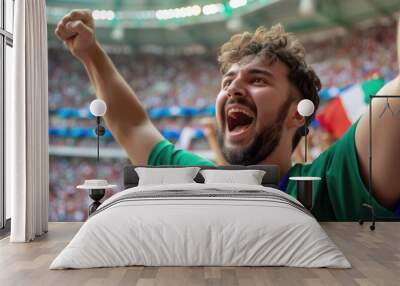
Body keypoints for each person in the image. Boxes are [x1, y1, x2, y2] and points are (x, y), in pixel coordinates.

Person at [55, 10, 400, 221]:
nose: (234, 89)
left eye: (258, 80)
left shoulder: (332, 184)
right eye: (228, 80)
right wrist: (90, 54)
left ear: (299, 114)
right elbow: (132, 124)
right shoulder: (196, 176)